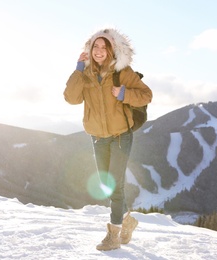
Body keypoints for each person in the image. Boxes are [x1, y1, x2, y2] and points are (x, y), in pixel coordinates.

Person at [64, 28, 152, 251]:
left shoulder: (122, 72)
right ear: (90, 50)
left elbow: (146, 94)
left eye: (104, 47)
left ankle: (113, 236)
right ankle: (127, 222)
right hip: (98, 138)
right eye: (96, 46)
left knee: (116, 186)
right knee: (106, 185)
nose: (100, 50)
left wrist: (123, 93)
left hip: (121, 136)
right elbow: (71, 98)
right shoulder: (85, 74)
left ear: (112, 50)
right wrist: (78, 68)